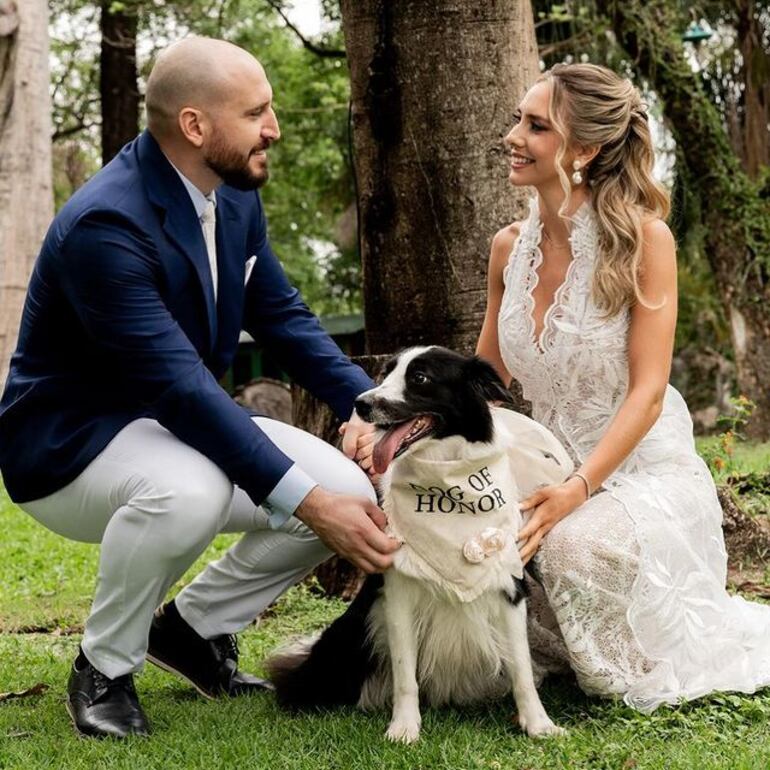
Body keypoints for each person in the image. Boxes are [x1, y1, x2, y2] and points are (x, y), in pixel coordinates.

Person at [0, 36, 398, 739]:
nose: (274, 128)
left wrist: (370, 411)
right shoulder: (107, 224)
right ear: (195, 126)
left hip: (170, 423)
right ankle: (105, 667)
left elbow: (284, 319)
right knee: (200, 491)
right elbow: (181, 388)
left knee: (354, 495)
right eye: (257, 113)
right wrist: (310, 506)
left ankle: (191, 628)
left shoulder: (234, 198)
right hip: (68, 448)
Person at [471, 61, 770, 711]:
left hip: (642, 474)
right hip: (551, 469)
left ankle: (620, 653)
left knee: (570, 547)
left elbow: (649, 392)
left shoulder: (644, 241)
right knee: (476, 533)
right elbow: (486, 378)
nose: (512, 136)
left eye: (536, 126)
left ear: (586, 149)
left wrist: (577, 491)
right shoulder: (506, 249)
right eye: (516, 120)